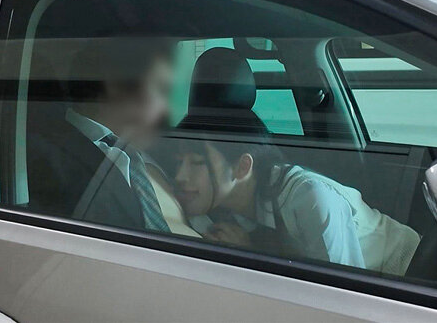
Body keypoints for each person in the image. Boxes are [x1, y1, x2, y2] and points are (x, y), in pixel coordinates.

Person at [171, 115, 421, 275]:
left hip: (410, 276)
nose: (180, 176)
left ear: (242, 167)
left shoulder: (309, 197)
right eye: (179, 162)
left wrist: (251, 252)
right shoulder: (218, 208)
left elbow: (340, 294)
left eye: (197, 163)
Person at [26, 38, 198, 237]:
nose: (167, 108)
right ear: (116, 85)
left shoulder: (141, 150)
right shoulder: (49, 161)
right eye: (161, 89)